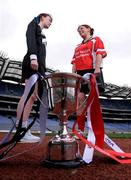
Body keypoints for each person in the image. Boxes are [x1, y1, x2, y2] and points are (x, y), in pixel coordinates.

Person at [16, 13, 52, 143]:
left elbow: (42, 54)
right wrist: (33, 57)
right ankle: (21, 129)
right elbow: (30, 40)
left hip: (39, 68)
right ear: (42, 17)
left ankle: (24, 129)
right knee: (28, 94)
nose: (51, 22)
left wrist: (44, 70)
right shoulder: (33, 25)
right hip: (32, 63)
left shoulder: (42, 34)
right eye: (49, 19)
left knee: (33, 96)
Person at [71, 24, 107, 137]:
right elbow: (74, 62)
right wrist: (73, 75)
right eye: (78, 30)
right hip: (80, 74)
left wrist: (97, 68)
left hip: (92, 70)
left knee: (94, 101)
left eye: (82, 28)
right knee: (80, 100)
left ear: (89, 29)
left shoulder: (96, 40)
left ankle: (96, 130)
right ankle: (80, 130)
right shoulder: (77, 46)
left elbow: (99, 54)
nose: (80, 30)